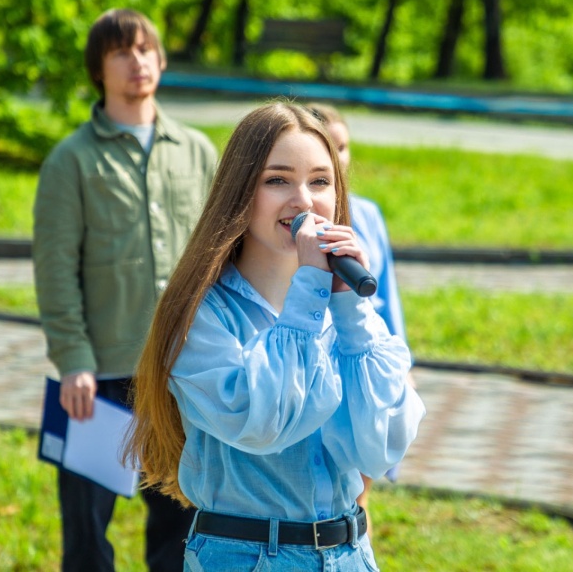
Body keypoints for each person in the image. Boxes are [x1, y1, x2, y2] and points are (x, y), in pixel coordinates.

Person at [126, 101, 425, 571]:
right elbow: (262, 423)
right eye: (277, 180)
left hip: (349, 554)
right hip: (247, 557)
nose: (303, 201)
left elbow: (382, 445)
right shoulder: (202, 313)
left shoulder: (343, 312)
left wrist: (350, 308)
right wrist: (310, 290)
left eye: (320, 181)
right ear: (239, 193)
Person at [32, 8, 217, 572]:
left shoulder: (198, 151)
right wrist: (73, 361)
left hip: (183, 370)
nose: (137, 61)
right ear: (99, 69)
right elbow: (55, 270)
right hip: (101, 378)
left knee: (183, 528)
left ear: (161, 59)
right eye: (121, 52)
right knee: (87, 537)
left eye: (145, 49)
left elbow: (221, 255)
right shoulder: (71, 161)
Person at [306, 102, 409, 534]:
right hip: (324, 359)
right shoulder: (298, 223)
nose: (338, 159)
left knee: (360, 486)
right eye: (328, 149)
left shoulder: (367, 214)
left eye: (344, 148)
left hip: (365, 346)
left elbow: (387, 294)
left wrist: (404, 363)